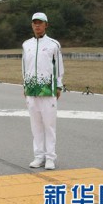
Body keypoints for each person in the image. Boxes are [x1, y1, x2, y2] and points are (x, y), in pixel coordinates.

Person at [22, 12, 64, 170]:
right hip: (31, 90)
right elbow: (24, 67)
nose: (37, 25)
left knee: (49, 125)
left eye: (40, 23)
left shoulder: (54, 44)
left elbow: (59, 66)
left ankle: (50, 157)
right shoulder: (26, 45)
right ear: (32, 25)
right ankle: (38, 156)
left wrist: (58, 85)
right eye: (35, 23)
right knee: (36, 125)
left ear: (46, 25)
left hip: (48, 90)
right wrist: (24, 85)